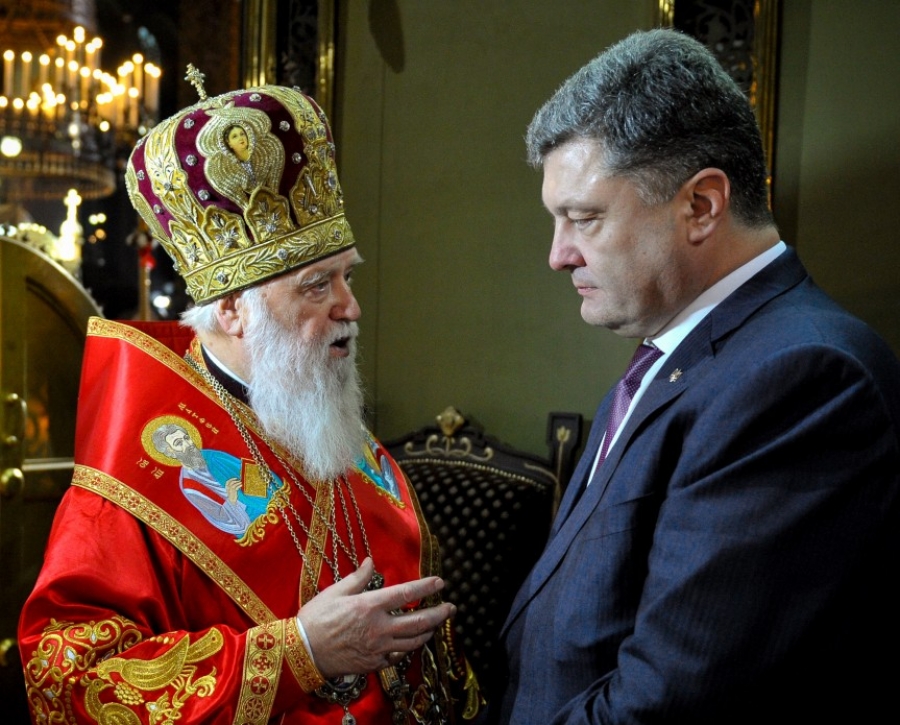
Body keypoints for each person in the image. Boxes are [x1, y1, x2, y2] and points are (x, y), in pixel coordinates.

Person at [18, 74, 477, 725]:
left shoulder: (325, 422)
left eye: (347, 276)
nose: (351, 307)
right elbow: (69, 683)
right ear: (234, 309)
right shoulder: (124, 489)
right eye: (317, 285)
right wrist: (300, 653)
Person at [489, 28, 900, 724]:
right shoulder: (678, 352)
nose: (559, 255)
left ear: (701, 206)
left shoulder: (804, 377)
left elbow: (672, 699)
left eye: (584, 219)